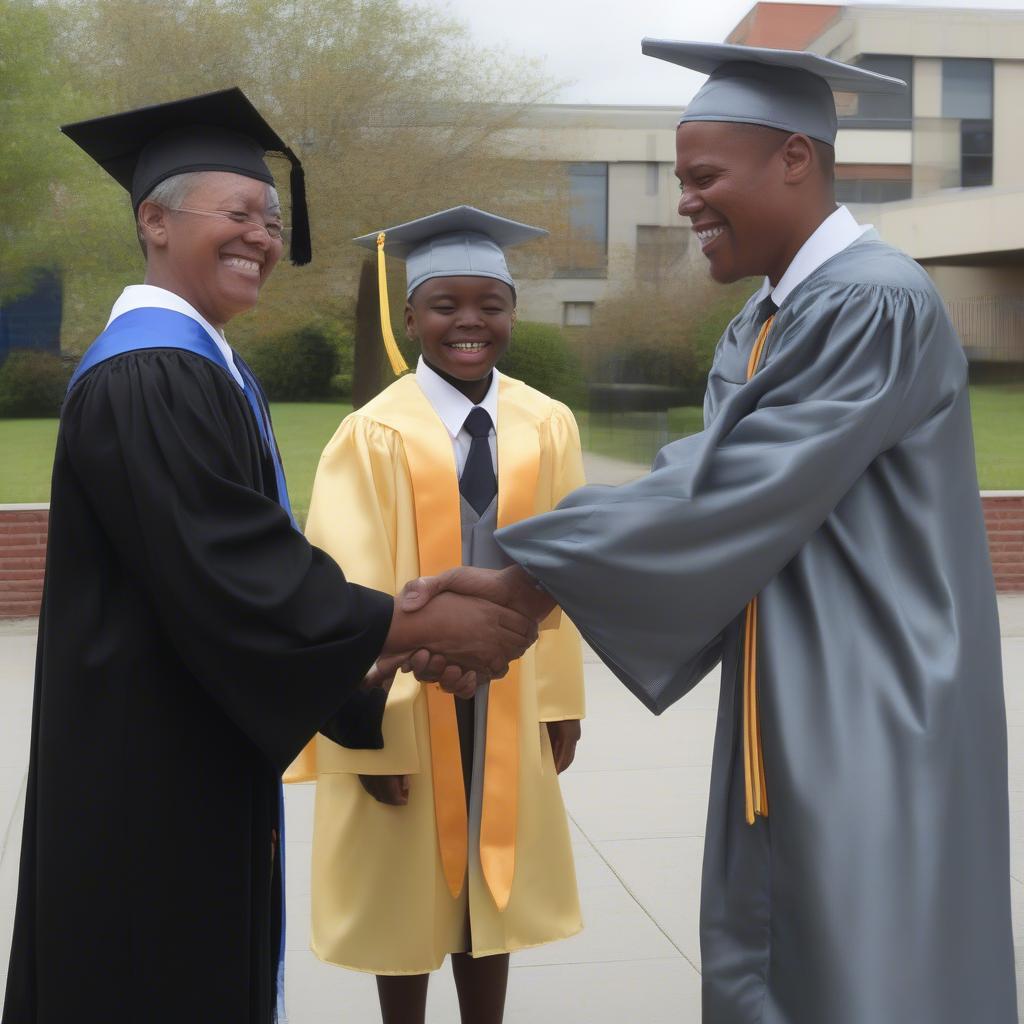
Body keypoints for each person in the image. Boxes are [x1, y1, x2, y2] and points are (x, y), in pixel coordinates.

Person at [401, 42, 1017, 1024]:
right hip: (790, 689)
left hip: (876, 698)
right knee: (773, 954)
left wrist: (522, 582)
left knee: (870, 970)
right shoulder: (769, 316)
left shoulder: (874, 299)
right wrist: (528, 578)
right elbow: (702, 474)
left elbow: (739, 487)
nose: (684, 201)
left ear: (793, 159)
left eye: (702, 176)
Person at [2, 91, 535, 1024]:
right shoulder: (150, 370)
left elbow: (240, 568)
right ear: (155, 221)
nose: (262, 236)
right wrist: (411, 622)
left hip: (182, 739)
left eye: (272, 220)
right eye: (239, 214)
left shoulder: (202, 365)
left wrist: (375, 656)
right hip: (147, 769)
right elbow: (230, 568)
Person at [286, 206, 586, 1024]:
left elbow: (566, 576)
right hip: (406, 699)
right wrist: (365, 729)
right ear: (410, 316)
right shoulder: (371, 433)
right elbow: (346, 587)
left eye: (490, 303)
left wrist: (559, 700)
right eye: (446, 304)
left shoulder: (546, 423)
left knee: (493, 883)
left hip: (508, 693)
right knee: (406, 891)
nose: (469, 322)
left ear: (513, 313)